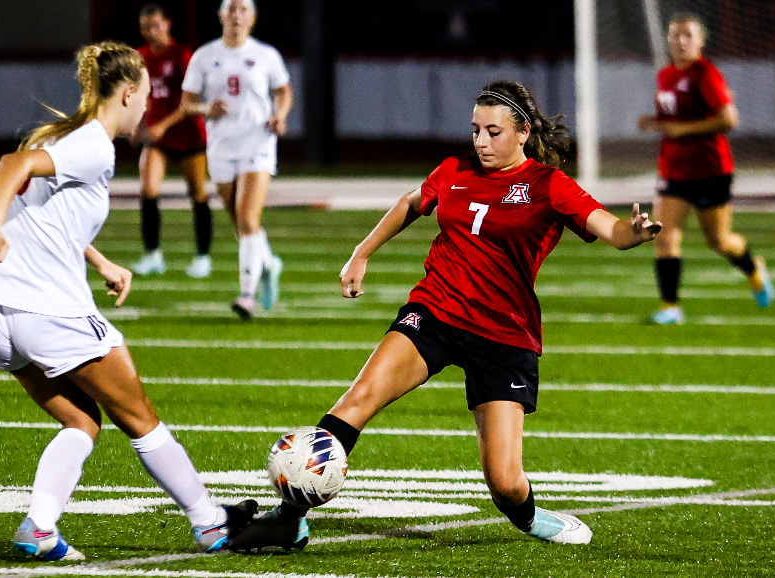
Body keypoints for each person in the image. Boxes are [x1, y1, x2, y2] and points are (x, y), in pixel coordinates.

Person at [227, 81, 663, 551]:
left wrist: (633, 231)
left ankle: (533, 516)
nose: (480, 141)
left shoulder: (548, 185)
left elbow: (611, 229)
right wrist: (362, 252)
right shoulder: (455, 170)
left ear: (523, 133)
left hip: (503, 335)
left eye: (492, 131)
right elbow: (412, 203)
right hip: (434, 311)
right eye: (475, 129)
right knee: (355, 401)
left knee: (506, 485)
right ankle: (289, 518)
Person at [0, 41, 255, 561]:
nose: (148, 106)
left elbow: (50, 215)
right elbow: (11, 164)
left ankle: (38, 527)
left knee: (82, 422)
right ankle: (211, 522)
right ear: (126, 93)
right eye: (145, 96)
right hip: (48, 311)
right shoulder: (95, 145)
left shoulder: (69, 138)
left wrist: (100, 262)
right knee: (140, 417)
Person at [638, 13, 773, 325]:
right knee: (665, 235)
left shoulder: (705, 74)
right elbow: (674, 121)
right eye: (675, 35)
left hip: (710, 170)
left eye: (688, 35)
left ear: (700, 41)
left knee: (719, 241)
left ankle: (754, 268)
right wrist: (656, 123)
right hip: (674, 170)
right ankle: (670, 307)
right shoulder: (666, 75)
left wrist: (681, 130)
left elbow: (729, 119)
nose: (681, 41)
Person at [180, 0, 293, 321]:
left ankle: (246, 296)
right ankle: (269, 264)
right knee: (241, 222)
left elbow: (284, 91)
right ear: (220, 15)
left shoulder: (266, 55)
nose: (236, 15)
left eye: (242, 9)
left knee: (246, 219)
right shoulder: (205, 56)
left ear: (253, 17)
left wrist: (280, 116)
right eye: (230, 9)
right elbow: (187, 103)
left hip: (258, 143)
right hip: (220, 147)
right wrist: (206, 109)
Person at [130, 3, 213, 279]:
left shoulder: (182, 56)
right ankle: (153, 254)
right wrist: (136, 124)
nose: (150, 32)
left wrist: (163, 125)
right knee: (148, 190)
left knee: (197, 195)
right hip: (158, 138)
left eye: (155, 25)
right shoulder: (140, 57)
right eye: (145, 27)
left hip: (188, 134)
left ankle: (203, 257)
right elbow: (142, 97)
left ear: (168, 24)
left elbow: (190, 101)